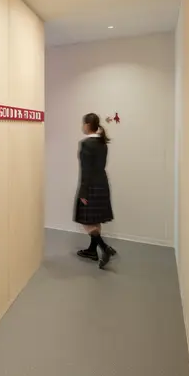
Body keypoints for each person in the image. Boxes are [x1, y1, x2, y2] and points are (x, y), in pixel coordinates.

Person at [73, 113, 116, 269]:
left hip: (90, 186)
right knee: (95, 220)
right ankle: (92, 251)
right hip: (102, 184)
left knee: (87, 222)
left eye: (83, 124)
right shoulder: (102, 143)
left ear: (87, 125)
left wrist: (83, 192)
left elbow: (86, 170)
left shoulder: (86, 144)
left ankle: (104, 248)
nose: (82, 126)